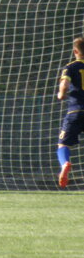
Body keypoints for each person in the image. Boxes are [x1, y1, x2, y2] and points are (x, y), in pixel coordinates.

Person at [56, 36, 84, 188]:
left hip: (76, 110)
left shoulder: (70, 67)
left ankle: (64, 164)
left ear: (75, 51)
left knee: (63, 144)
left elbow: (65, 84)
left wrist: (61, 94)